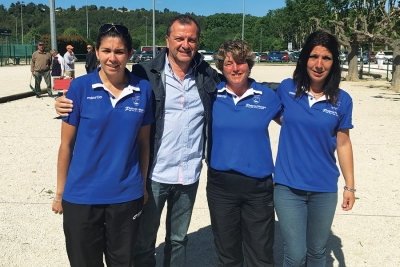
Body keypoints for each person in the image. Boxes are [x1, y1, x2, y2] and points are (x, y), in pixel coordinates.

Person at [54, 15, 221, 267]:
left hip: (186, 174)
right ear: (167, 40)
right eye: (179, 38)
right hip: (154, 173)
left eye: (191, 39)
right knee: (142, 245)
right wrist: (59, 193)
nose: (185, 44)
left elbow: (234, 83)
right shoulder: (146, 74)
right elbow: (68, 141)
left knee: (177, 240)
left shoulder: (205, 76)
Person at [51, 24, 154, 266]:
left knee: (122, 262)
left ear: (129, 54)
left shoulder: (143, 89)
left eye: (119, 51)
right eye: (106, 50)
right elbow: (66, 145)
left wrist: (142, 184)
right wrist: (59, 193)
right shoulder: (80, 87)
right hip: (81, 196)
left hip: (125, 196)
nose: (112, 58)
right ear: (96, 52)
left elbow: (144, 143)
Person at [273, 30, 355, 267]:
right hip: (288, 187)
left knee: (318, 252)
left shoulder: (342, 100)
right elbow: (273, 116)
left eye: (326, 58)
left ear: (334, 62)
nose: (319, 64)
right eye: (313, 56)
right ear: (304, 59)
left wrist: (349, 185)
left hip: (323, 188)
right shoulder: (287, 89)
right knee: (295, 254)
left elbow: (343, 142)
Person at [207, 40, 282, 267]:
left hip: (258, 187)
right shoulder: (211, 95)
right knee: (227, 254)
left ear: (249, 64)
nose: (236, 68)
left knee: (260, 254)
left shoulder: (267, 96)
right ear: (221, 66)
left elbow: (294, 125)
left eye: (241, 62)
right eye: (229, 63)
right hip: (221, 186)